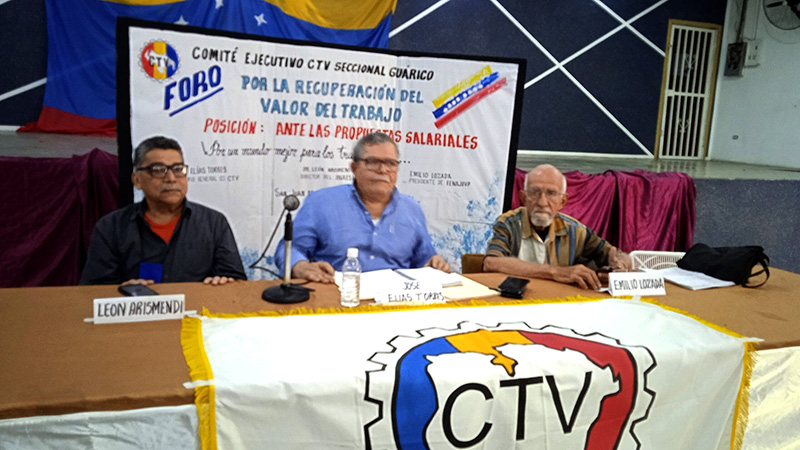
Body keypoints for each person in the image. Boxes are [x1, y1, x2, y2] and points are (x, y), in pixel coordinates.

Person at [274, 132, 450, 283]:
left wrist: (434, 263)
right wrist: (300, 266)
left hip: (396, 300)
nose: (383, 170)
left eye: (391, 163)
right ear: (354, 167)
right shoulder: (321, 203)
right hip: (337, 296)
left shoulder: (412, 209)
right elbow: (289, 249)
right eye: (373, 162)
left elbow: (424, 259)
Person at [80, 136, 246, 286]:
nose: (171, 178)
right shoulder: (110, 227)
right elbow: (92, 291)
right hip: (136, 310)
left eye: (178, 169)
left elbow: (236, 281)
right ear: (137, 180)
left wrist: (223, 282)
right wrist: (120, 292)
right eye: (158, 170)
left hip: (196, 309)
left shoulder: (213, 223)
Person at [484, 164, 631, 290]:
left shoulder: (576, 231)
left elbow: (616, 254)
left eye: (551, 193)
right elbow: (491, 263)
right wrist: (556, 272)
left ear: (563, 201)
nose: (542, 202)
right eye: (535, 192)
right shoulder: (508, 223)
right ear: (523, 198)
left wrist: (621, 264)